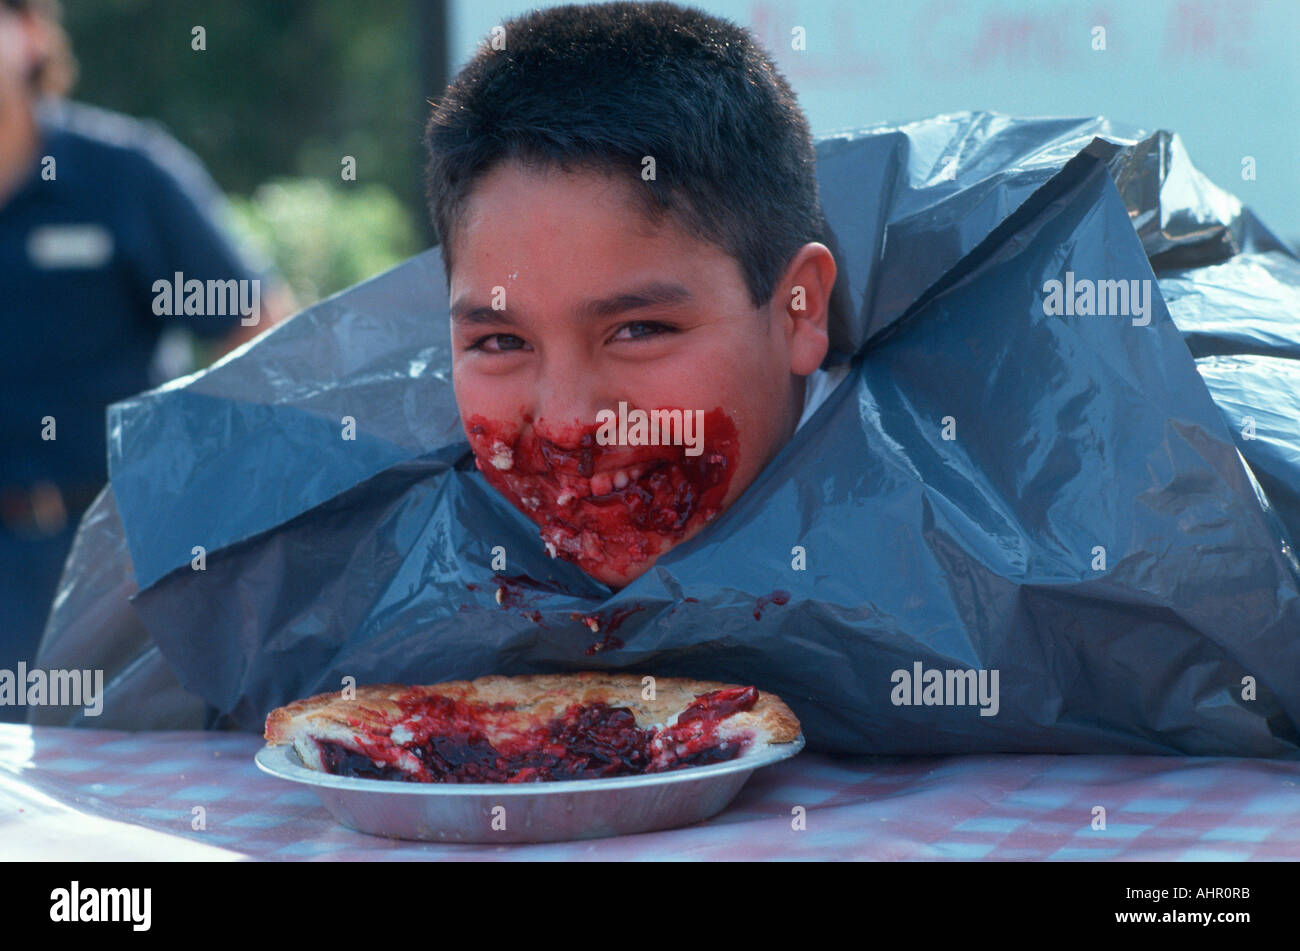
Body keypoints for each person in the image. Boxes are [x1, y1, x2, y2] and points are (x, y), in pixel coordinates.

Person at [426, 1, 846, 589]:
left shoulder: (985, 586)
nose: (567, 426)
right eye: (501, 341)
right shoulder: (379, 577)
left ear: (799, 310)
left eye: (638, 330)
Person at [0, 0, 286, 705]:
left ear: (32, 31)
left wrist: (211, 500)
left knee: (105, 789)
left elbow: (259, 328)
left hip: (104, 560)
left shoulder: (123, 176)